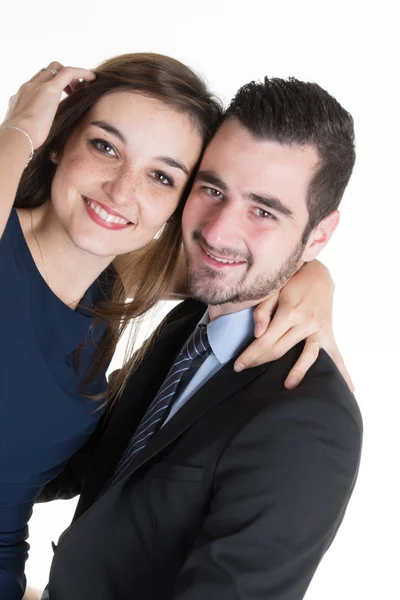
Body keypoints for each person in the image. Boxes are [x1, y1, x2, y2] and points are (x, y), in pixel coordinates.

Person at [0, 53, 347, 600]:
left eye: (162, 176)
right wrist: (18, 129)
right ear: (59, 139)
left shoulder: (116, 299)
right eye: (105, 146)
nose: (121, 191)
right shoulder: (168, 322)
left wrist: (311, 274)